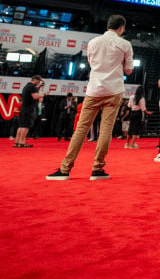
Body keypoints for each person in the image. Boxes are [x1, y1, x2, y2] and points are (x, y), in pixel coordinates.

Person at [46, 14, 133, 181]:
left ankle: (65, 169)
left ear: (108, 25)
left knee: (81, 129)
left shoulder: (93, 42)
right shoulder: (125, 44)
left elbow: (93, 64)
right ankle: (97, 169)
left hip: (94, 89)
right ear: (121, 28)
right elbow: (128, 70)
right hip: (114, 90)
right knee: (106, 130)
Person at [14, 76, 44, 148]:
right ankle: (22, 142)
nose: (39, 82)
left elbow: (33, 92)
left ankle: (17, 142)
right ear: (35, 80)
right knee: (26, 126)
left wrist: (39, 87)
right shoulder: (32, 87)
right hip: (29, 109)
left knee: (21, 125)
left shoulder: (27, 86)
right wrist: (44, 94)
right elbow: (35, 96)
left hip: (23, 108)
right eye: (39, 81)